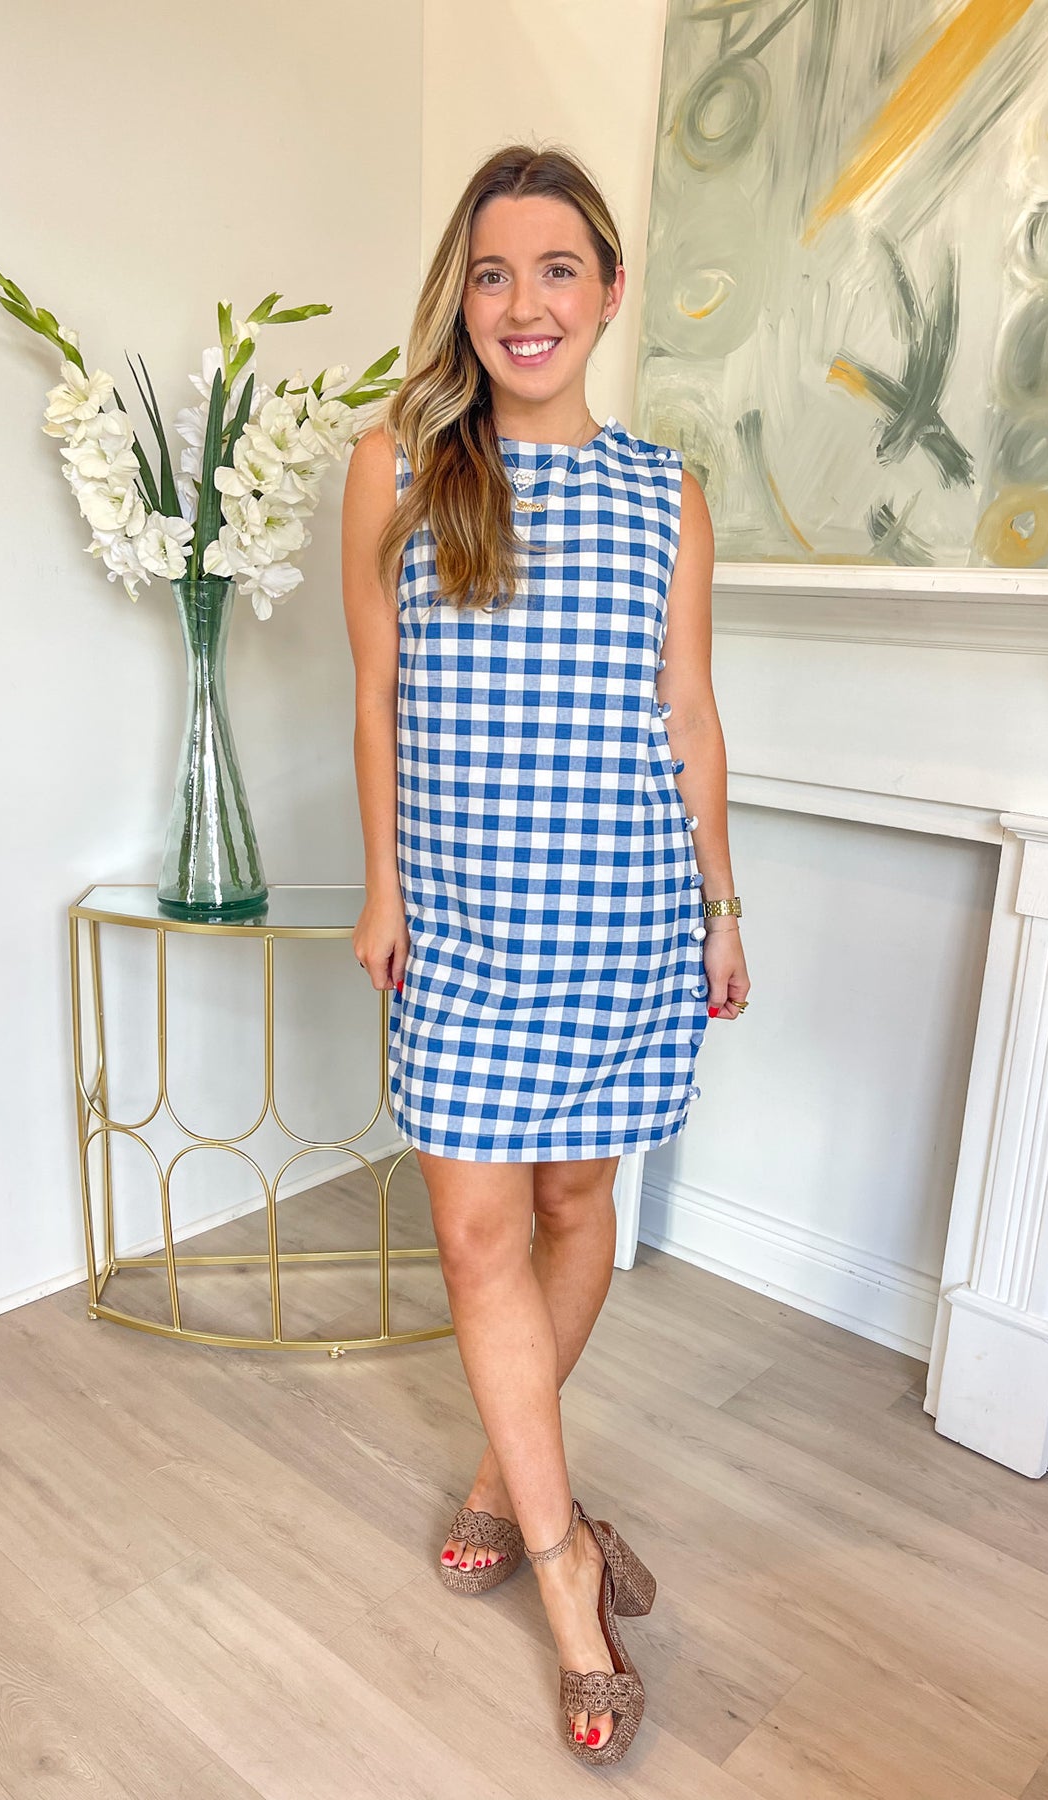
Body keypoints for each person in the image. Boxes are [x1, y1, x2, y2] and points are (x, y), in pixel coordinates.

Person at [340, 142, 749, 1766]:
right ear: (464, 296)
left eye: (557, 270)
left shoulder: (666, 492)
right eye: (494, 272)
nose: (524, 303)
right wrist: (381, 890)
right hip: (458, 919)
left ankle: (502, 1483)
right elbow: (373, 699)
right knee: (473, 1236)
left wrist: (720, 907)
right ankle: (568, 1564)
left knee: (576, 1204)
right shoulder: (398, 464)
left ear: (608, 291)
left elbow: (689, 715)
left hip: (621, 913)